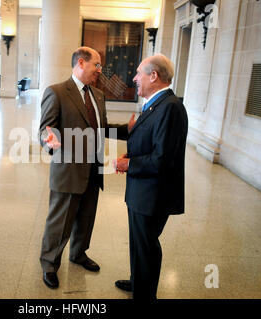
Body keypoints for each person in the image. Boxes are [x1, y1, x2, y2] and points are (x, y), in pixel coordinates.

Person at [38, 47, 130, 289]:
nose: (99, 71)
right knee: (60, 221)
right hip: (69, 170)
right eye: (96, 65)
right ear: (81, 62)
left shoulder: (98, 95)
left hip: (93, 169)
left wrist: (128, 129)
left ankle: (78, 254)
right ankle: (49, 264)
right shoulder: (57, 92)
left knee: (86, 218)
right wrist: (49, 140)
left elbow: (102, 127)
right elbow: (45, 128)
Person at [113, 54, 188, 302]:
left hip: (153, 193)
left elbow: (163, 159)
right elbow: (152, 143)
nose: (134, 78)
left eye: (138, 73)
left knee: (146, 245)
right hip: (142, 189)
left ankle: (145, 294)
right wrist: (132, 154)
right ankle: (138, 281)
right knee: (138, 241)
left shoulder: (170, 107)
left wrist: (130, 163)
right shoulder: (156, 104)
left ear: (153, 76)